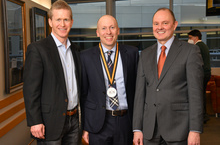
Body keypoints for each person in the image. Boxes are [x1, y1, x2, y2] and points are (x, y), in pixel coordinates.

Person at [133, 8, 204, 145]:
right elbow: (140, 94)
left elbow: (196, 94)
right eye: (156, 23)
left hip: (179, 128)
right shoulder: (145, 54)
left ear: (174, 25)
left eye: (165, 23)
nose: (160, 27)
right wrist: (137, 128)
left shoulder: (190, 51)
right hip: (150, 130)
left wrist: (195, 130)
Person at [23, 0, 81, 145]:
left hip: (74, 121)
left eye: (66, 19)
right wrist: (35, 121)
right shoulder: (37, 49)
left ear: (71, 22)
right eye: (58, 20)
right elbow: (31, 90)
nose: (62, 24)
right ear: (50, 22)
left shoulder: (76, 50)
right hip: (50, 122)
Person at [80, 15, 139, 145]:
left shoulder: (132, 53)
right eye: (104, 28)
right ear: (97, 32)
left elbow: (138, 91)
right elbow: (83, 94)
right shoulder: (85, 57)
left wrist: (138, 127)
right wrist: (85, 127)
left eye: (112, 27)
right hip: (98, 122)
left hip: (125, 121)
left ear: (118, 30)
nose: (108, 32)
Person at [188, 29, 211, 123]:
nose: (189, 40)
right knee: (202, 95)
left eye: (190, 38)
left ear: (196, 37)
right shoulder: (204, 45)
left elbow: (196, 62)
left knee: (199, 96)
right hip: (207, 73)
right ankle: (204, 115)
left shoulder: (197, 47)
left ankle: (202, 116)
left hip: (202, 74)